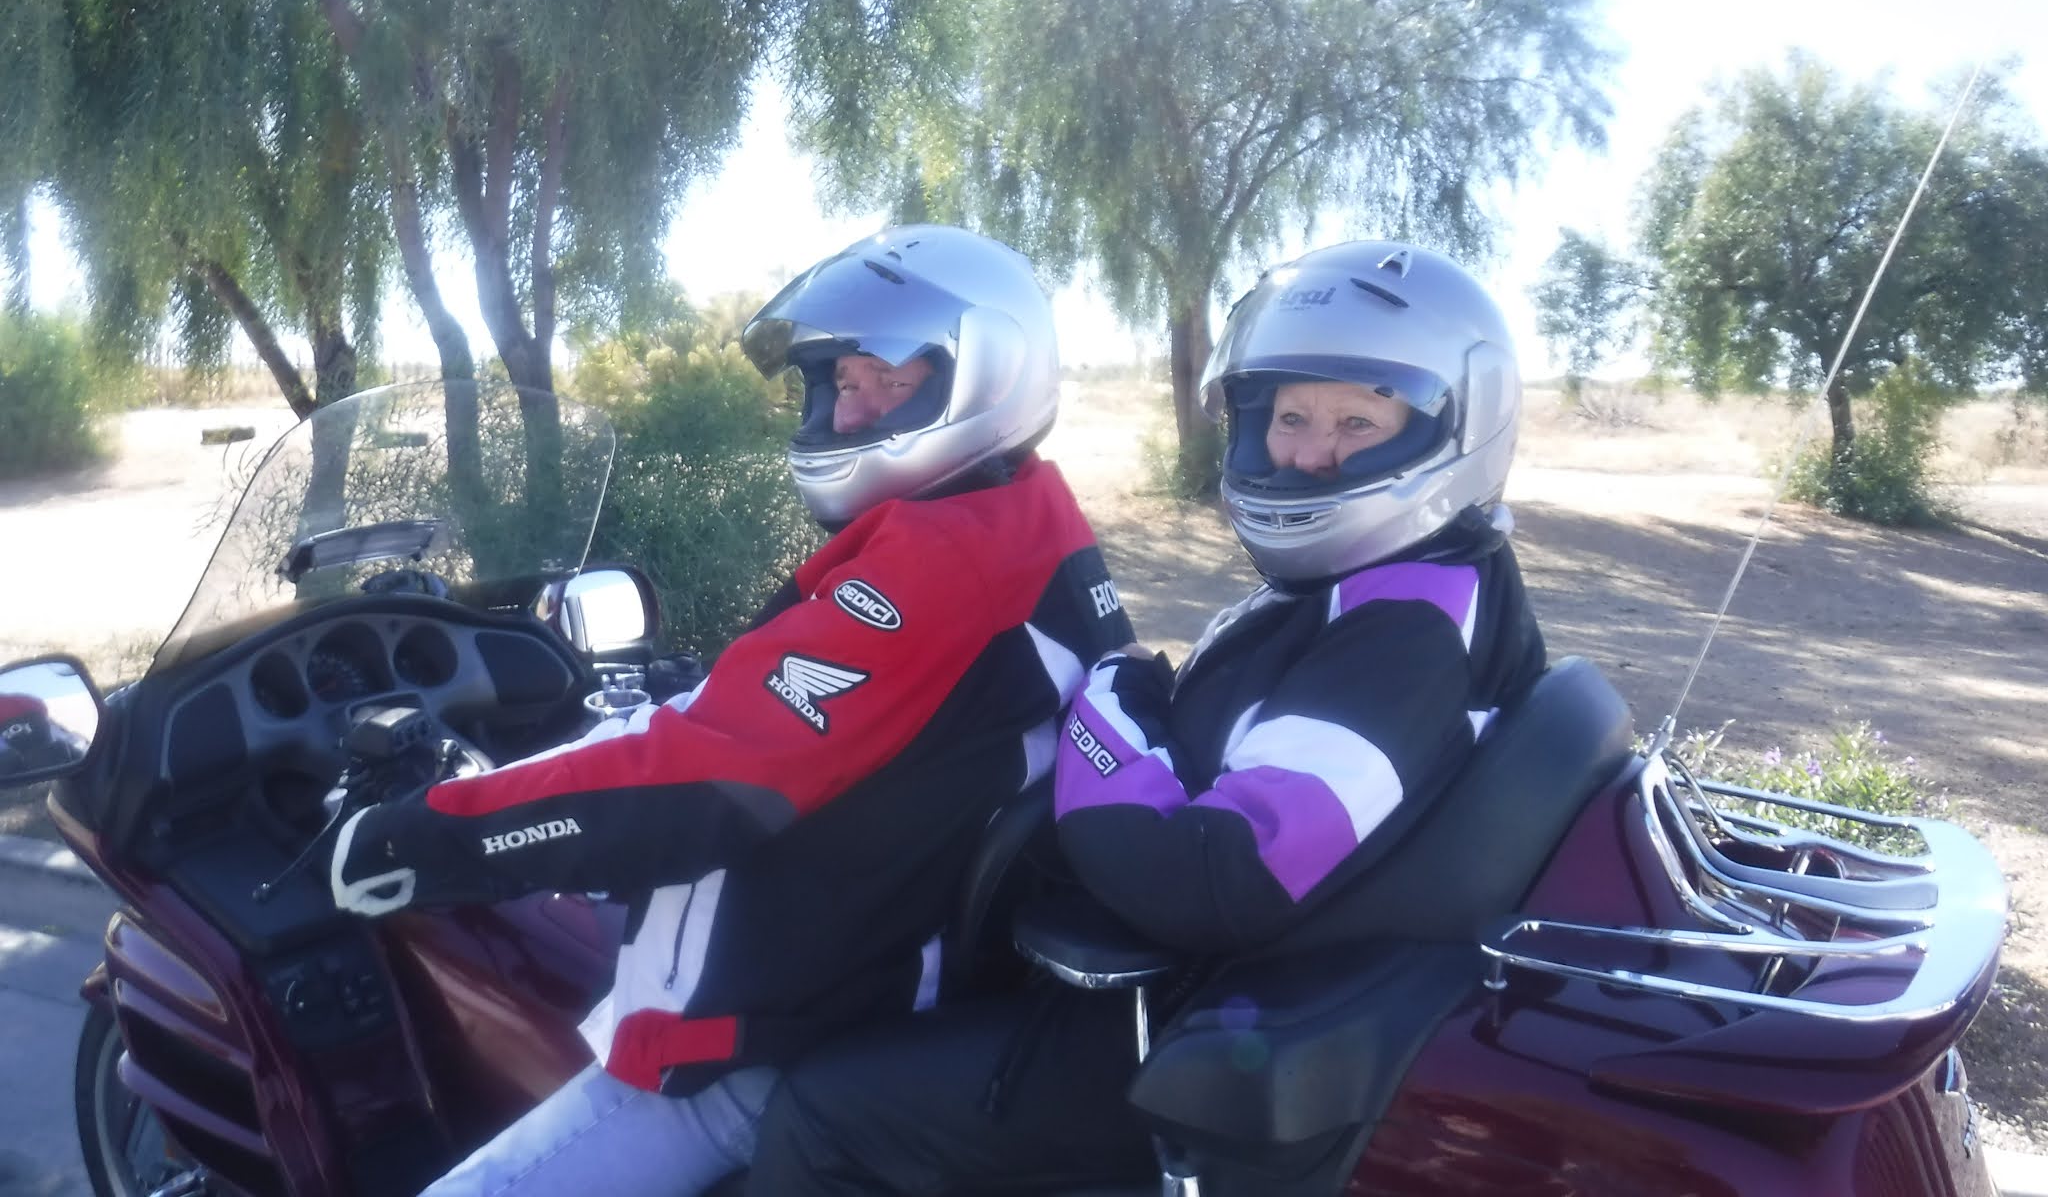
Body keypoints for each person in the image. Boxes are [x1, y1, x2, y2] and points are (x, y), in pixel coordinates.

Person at [326, 224, 1135, 1197]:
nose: (849, 409)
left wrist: (422, 838)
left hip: (781, 1035)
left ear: (989, 374)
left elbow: (701, 781)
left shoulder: (943, 566)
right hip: (895, 982)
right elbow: (828, 721)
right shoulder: (1029, 521)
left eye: (889, 380)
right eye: (840, 381)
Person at [744, 240, 1548, 1195]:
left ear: (1454, 429)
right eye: (1289, 417)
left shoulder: (1407, 632)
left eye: (1358, 421)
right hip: (1231, 995)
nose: (1309, 452)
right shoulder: (1382, 587)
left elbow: (1209, 872)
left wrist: (1109, 704)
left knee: (823, 1109)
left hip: (1186, 1030)